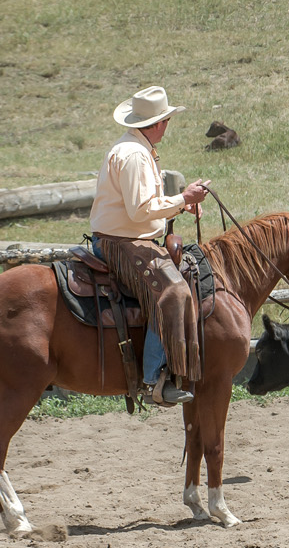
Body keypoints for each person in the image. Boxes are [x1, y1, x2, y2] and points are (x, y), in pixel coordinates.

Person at [89, 86, 212, 406]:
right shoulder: (134, 156)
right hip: (122, 243)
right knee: (174, 292)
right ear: (159, 123)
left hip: (122, 237)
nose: (167, 125)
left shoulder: (133, 149)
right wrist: (184, 198)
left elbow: (144, 205)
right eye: (167, 119)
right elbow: (140, 210)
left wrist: (180, 206)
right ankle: (153, 378)